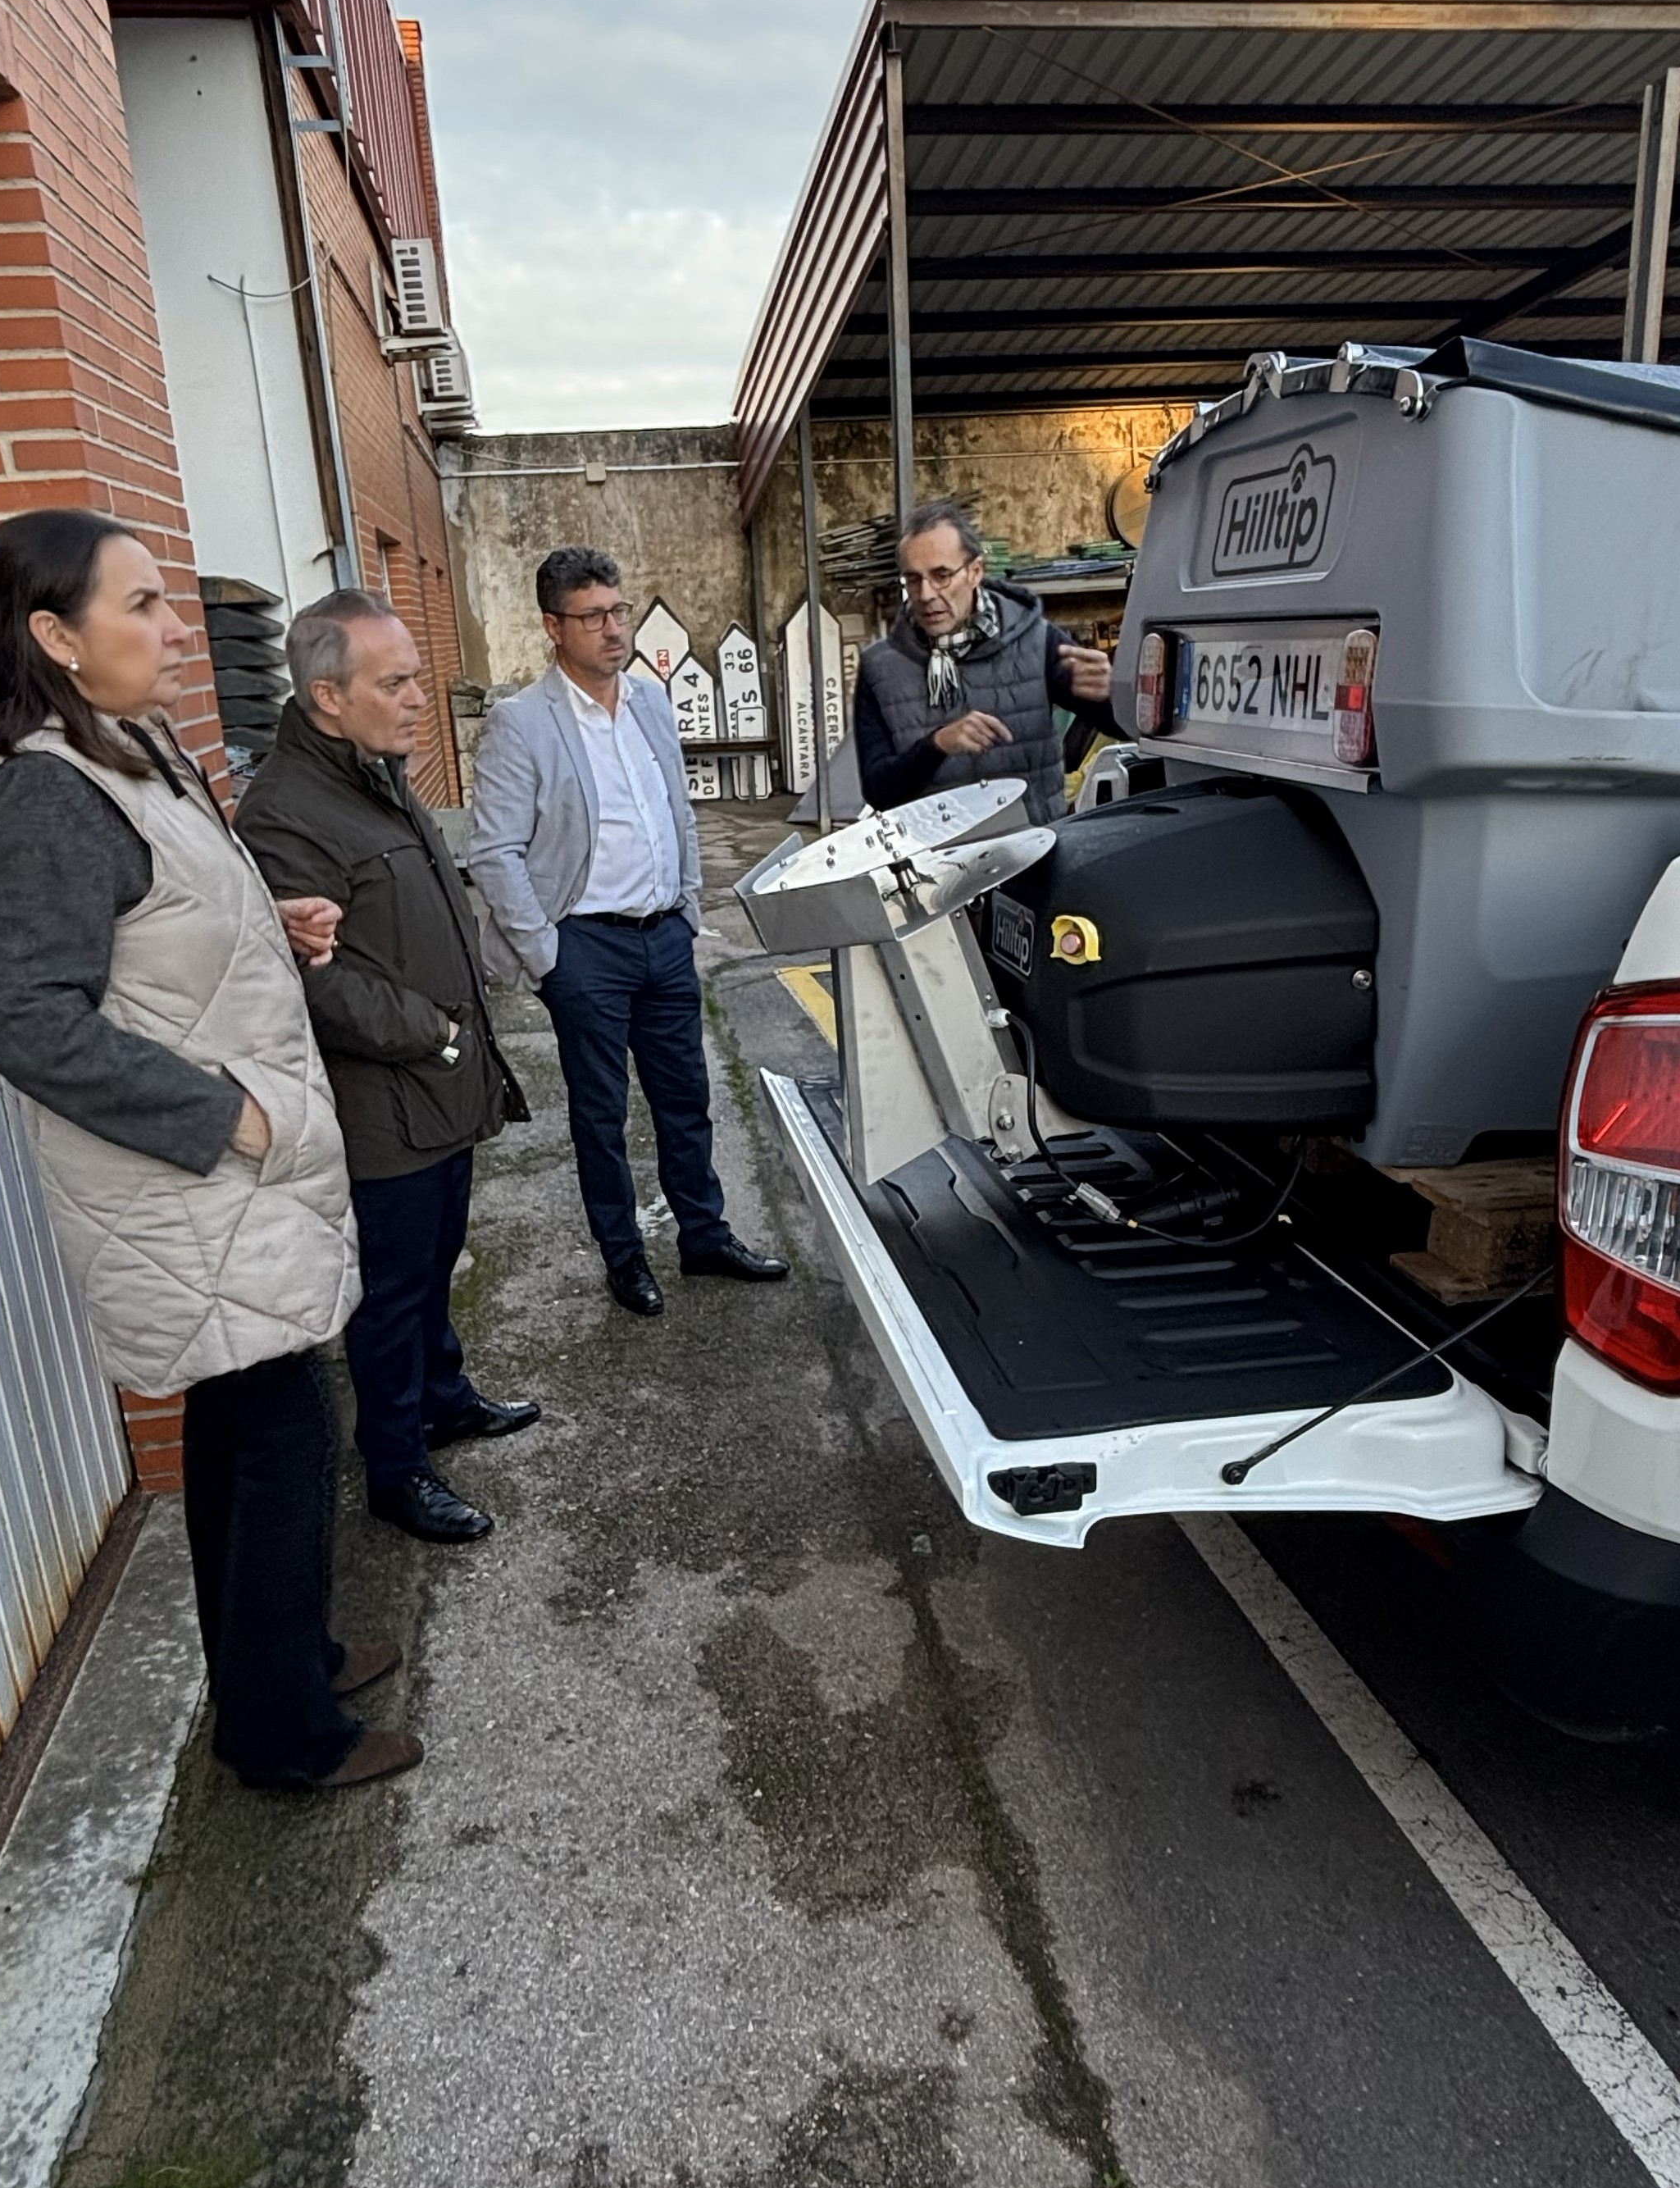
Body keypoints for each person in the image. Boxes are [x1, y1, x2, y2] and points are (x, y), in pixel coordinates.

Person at [0, 508, 416, 1794]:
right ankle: (283, 1735)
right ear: (56, 636)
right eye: (140, 604)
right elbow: (28, 1019)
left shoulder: (122, 746)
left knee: (246, 1432)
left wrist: (269, 922)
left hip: (221, 1187)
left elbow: (159, 929)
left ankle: (285, 1666)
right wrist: (226, 1117)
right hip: (194, 1181)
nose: (175, 627)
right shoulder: (45, 791)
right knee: (282, 1439)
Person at [234, 588, 535, 1548]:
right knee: (393, 1292)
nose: (416, 699)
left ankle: (444, 1398)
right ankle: (398, 1471)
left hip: (439, 1085)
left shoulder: (373, 773)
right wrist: (431, 1031)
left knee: (436, 1259)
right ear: (328, 696)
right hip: (385, 1100)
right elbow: (306, 977)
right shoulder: (287, 811)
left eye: (415, 678)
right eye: (395, 683)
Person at [467, 545, 787, 1317]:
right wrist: (546, 955)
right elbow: (494, 852)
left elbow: (677, 811)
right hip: (585, 949)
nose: (615, 630)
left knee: (687, 1097)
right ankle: (624, 1257)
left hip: (664, 938)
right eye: (593, 617)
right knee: (601, 1113)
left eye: (620, 611)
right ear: (553, 626)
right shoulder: (521, 724)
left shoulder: (649, 702)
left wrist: (688, 906)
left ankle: (704, 1236)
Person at [853, 497, 1116, 828]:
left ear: (975, 572)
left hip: (1033, 846)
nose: (926, 594)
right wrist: (936, 746)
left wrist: (1112, 693)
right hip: (937, 854)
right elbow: (878, 792)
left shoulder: (1038, 642)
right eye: (913, 579)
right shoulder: (880, 669)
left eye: (942, 575)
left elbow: (1123, 727)